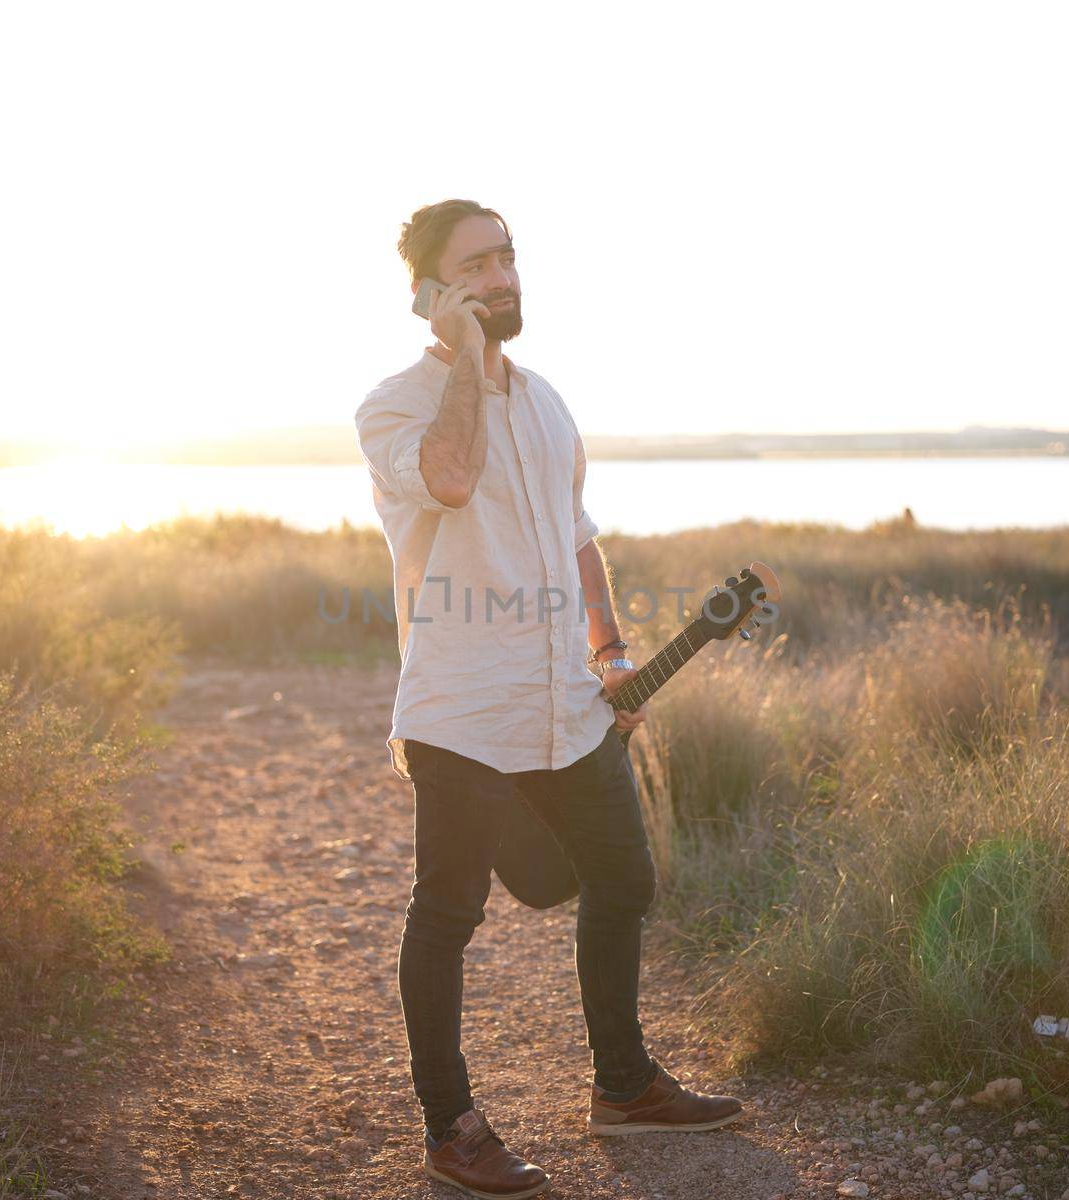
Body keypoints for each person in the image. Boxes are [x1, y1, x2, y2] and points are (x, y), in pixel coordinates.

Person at [353, 199, 743, 1199]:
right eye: (474, 267)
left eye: (508, 258)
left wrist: (607, 652)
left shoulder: (550, 401)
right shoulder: (396, 406)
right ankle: (454, 1130)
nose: (501, 277)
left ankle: (623, 1087)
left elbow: (576, 536)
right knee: (447, 916)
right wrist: (467, 359)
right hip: (459, 710)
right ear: (429, 296)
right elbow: (446, 479)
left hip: (564, 703)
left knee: (621, 880)